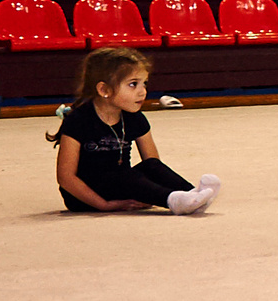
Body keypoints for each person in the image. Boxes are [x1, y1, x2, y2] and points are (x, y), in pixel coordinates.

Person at [48, 48, 221, 214]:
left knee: (149, 167)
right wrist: (104, 205)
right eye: (133, 85)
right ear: (104, 90)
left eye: (144, 84)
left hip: (122, 183)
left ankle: (192, 194)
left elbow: (152, 163)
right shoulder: (79, 120)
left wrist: (149, 191)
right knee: (124, 175)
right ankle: (173, 200)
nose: (143, 92)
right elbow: (66, 178)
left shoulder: (133, 117)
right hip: (83, 195)